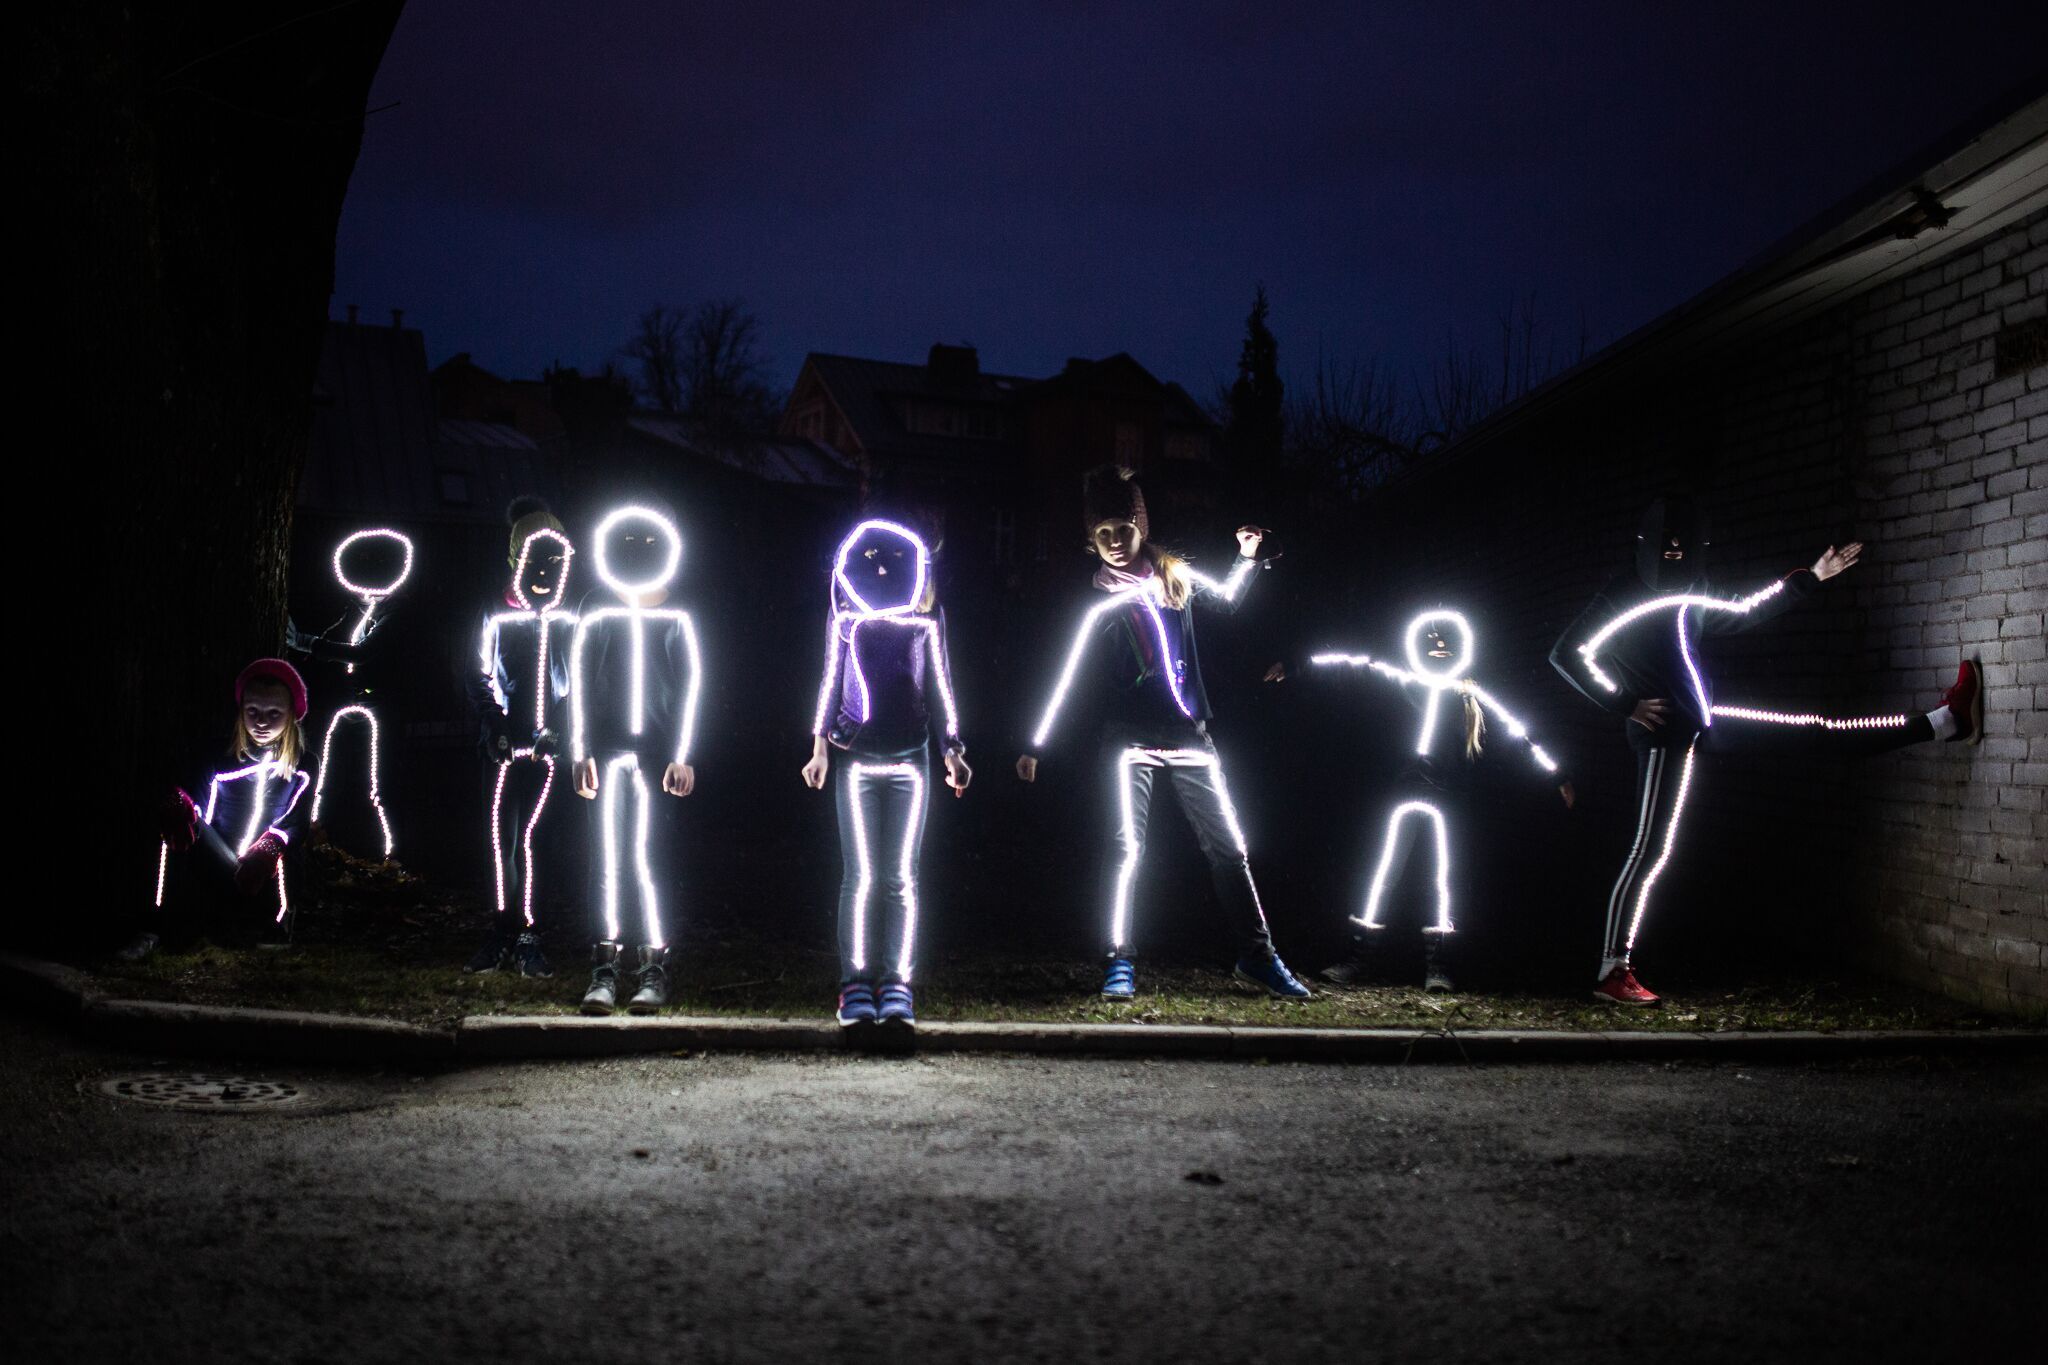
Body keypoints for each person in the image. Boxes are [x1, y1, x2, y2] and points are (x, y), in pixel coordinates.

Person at [1550, 493, 1982, 1007]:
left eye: (1683, 545)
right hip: (1663, 734)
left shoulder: (1694, 587)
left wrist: (1811, 577)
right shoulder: (1622, 592)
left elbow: (1742, 611)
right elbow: (1568, 653)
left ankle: (1943, 723)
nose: (1674, 552)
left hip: (1705, 722)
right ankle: (1611, 971)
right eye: (1666, 544)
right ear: (1646, 543)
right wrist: (1626, 703)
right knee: (1650, 850)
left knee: (1815, 732)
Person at [1016, 465, 1310, 1002]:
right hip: (1127, 740)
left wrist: (1246, 558)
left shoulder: (1174, 579)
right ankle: (1119, 960)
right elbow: (1069, 673)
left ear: (1141, 528)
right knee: (1126, 851)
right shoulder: (1098, 600)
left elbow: (1227, 601)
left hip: (1190, 734)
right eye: (1103, 533)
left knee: (1230, 849)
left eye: (1123, 529)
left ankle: (1258, 956)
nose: (1114, 541)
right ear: (1091, 540)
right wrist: (1038, 743)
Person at [1272, 608, 1573, 991]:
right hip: (1400, 795)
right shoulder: (1400, 679)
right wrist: (1297, 664)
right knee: (1382, 876)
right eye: (1430, 638)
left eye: (1446, 638)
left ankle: (1438, 967)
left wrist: (1556, 774)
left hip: (1446, 800)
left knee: (1440, 880)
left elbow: (1519, 733)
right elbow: (1350, 664)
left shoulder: (1469, 694)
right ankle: (1357, 959)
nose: (1439, 644)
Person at [802, 516, 971, 1031]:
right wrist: (818, 749)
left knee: (899, 878)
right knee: (860, 877)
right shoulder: (845, 617)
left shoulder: (926, 618)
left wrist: (953, 749)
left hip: (911, 758)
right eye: (871, 559)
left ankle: (896, 984)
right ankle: (855, 983)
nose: (880, 570)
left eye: (894, 560)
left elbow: (941, 683)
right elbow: (830, 679)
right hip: (855, 756)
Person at [569, 502, 703, 1015]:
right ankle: (604, 968)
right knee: (605, 861)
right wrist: (580, 750)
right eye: (628, 543)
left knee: (649, 861)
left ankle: (654, 966)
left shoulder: (677, 617)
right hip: (606, 755)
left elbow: (691, 687)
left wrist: (682, 754)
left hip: (655, 760)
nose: (638, 552)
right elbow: (580, 685)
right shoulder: (597, 613)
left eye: (649, 544)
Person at [120, 659, 313, 960]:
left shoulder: (303, 764)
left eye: (274, 713)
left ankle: (276, 927)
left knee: (285, 844)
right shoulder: (217, 755)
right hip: (219, 864)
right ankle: (154, 928)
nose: (262, 722)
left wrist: (270, 846)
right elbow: (196, 806)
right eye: (253, 711)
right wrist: (178, 807)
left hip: (265, 875)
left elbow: (298, 821)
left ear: (291, 715)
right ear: (241, 710)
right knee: (178, 822)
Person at [464, 498, 579, 977]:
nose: (545, 571)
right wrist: (494, 725)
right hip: (504, 748)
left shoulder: (570, 618)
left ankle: (530, 932)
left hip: (549, 750)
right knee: (502, 841)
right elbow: (477, 673)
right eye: (535, 558)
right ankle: (502, 930)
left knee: (538, 840)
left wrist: (560, 727)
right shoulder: (495, 612)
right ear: (515, 559)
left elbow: (580, 680)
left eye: (556, 560)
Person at [297, 527, 414, 861]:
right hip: (359, 701)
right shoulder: (374, 607)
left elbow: (362, 652)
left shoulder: (396, 613)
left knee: (380, 782)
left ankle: (392, 855)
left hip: (381, 704)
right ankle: (316, 836)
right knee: (330, 772)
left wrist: (309, 643)